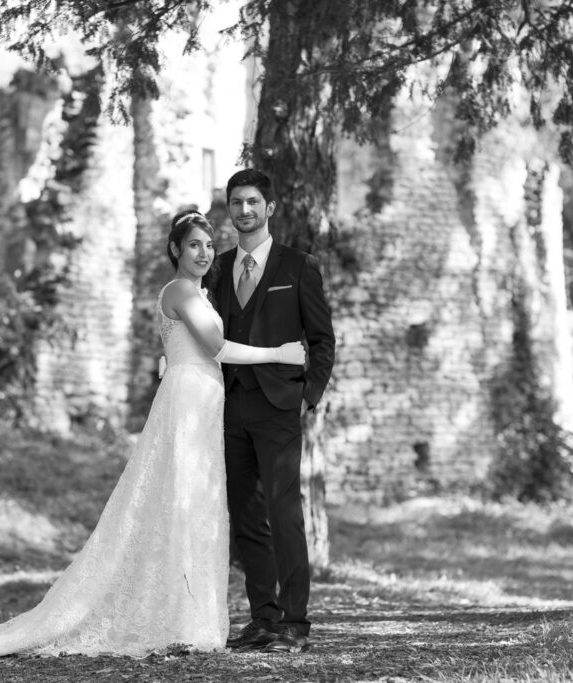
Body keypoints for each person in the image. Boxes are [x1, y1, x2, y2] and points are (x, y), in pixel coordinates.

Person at [0, 210, 306, 658]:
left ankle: (190, 617)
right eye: (194, 245)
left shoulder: (198, 292)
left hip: (203, 400)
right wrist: (280, 354)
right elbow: (217, 348)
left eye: (209, 245)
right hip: (189, 400)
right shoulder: (182, 289)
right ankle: (184, 622)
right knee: (182, 501)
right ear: (175, 250)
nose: (205, 253)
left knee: (195, 506)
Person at [216, 169, 335, 654]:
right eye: (236, 202)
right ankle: (262, 618)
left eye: (252, 202)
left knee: (283, 512)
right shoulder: (219, 268)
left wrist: (307, 396)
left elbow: (322, 340)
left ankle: (295, 623)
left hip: (279, 407)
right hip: (228, 406)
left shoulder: (297, 266)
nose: (244, 210)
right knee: (245, 517)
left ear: (270, 208)